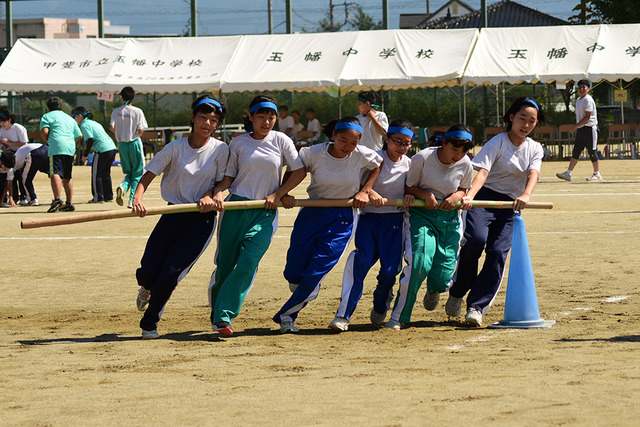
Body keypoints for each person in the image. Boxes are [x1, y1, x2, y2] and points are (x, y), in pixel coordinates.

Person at [132, 95, 230, 340]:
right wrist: (138, 198)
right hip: (172, 213)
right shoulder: (175, 147)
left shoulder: (220, 149)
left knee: (171, 273)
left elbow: (221, 182)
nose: (207, 123)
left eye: (213, 120)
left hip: (200, 219)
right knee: (149, 271)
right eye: (203, 117)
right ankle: (147, 287)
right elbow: (148, 175)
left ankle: (149, 324)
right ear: (193, 118)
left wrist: (210, 195)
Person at [273, 117, 383, 334]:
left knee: (316, 271)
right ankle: (304, 285)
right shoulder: (312, 153)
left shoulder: (361, 154)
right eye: (343, 141)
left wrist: (365, 190)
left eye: (353, 143)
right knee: (294, 269)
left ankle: (287, 316)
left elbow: (377, 165)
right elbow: (296, 169)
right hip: (312, 211)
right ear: (333, 135)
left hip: (342, 216)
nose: (348, 148)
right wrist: (283, 192)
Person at [208, 95, 306, 336]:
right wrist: (219, 192)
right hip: (236, 208)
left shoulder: (282, 140)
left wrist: (279, 194)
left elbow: (299, 171)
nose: (266, 121)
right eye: (261, 117)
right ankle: (218, 311)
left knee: (250, 259)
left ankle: (224, 315)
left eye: (271, 117)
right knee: (225, 265)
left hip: (265, 210)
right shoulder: (238, 143)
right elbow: (229, 176)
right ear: (250, 117)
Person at [446, 97, 546, 327]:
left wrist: (526, 195)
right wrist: (470, 195)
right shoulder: (497, 142)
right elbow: (482, 172)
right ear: (511, 117)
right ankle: (458, 291)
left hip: (510, 205)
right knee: (474, 241)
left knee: (497, 252)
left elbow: (533, 174)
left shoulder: (534, 148)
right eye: (522, 118)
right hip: (483, 199)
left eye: (532, 121)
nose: (526, 124)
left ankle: (477, 307)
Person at [384, 125, 474, 330]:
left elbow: (463, 188)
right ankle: (399, 316)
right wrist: (425, 195)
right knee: (420, 263)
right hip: (421, 216)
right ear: (443, 143)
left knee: (443, 277)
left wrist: (457, 196)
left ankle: (435, 288)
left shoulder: (465, 162)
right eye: (454, 150)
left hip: (450, 219)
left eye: (463, 152)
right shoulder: (422, 158)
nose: (458, 156)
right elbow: (409, 187)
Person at [329, 119, 414, 331]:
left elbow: (414, 187)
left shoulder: (410, 164)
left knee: (389, 271)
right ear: (387, 139)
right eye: (397, 141)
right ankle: (343, 315)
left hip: (394, 222)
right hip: (370, 219)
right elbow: (357, 182)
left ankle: (382, 300)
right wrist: (370, 192)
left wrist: (410, 196)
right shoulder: (373, 157)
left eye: (406, 143)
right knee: (360, 263)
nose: (401, 147)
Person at [39, 97, 82, 213]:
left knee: (54, 173)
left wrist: (47, 141)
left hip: (56, 147)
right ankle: (69, 203)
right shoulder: (69, 118)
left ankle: (57, 199)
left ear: (48, 108)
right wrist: (69, 140)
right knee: (67, 176)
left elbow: (44, 132)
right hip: (69, 148)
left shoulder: (47, 116)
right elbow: (79, 136)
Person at [556, 79, 602, 182]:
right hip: (581, 129)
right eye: (579, 87)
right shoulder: (578, 100)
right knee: (576, 150)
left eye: (583, 87)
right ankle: (568, 173)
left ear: (588, 89)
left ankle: (597, 174)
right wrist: (577, 127)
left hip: (590, 128)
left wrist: (575, 127)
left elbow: (587, 117)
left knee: (592, 151)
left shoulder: (588, 100)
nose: (581, 89)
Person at [111, 86, 148, 208]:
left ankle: (123, 187)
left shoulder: (116, 111)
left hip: (121, 145)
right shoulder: (137, 111)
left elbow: (111, 126)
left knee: (129, 172)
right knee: (138, 172)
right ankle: (132, 200)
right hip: (134, 143)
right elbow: (141, 129)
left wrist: (119, 134)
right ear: (133, 98)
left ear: (122, 98)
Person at [72, 107, 117, 204]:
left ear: (80, 116)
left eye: (75, 117)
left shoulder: (84, 125)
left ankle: (98, 197)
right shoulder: (94, 122)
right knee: (105, 173)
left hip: (102, 150)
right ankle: (108, 196)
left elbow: (90, 140)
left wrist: (84, 155)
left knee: (97, 174)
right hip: (112, 148)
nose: (74, 119)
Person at [0, 107, 28, 205]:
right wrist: (3, 146)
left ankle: (24, 197)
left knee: (21, 176)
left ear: (10, 120)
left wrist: (9, 142)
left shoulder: (18, 128)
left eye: (4, 122)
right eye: (0, 122)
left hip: (22, 153)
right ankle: (14, 198)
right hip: (10, 154)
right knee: (12, 177)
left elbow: (24, 143)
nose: (2, 124)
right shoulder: (2, 130)